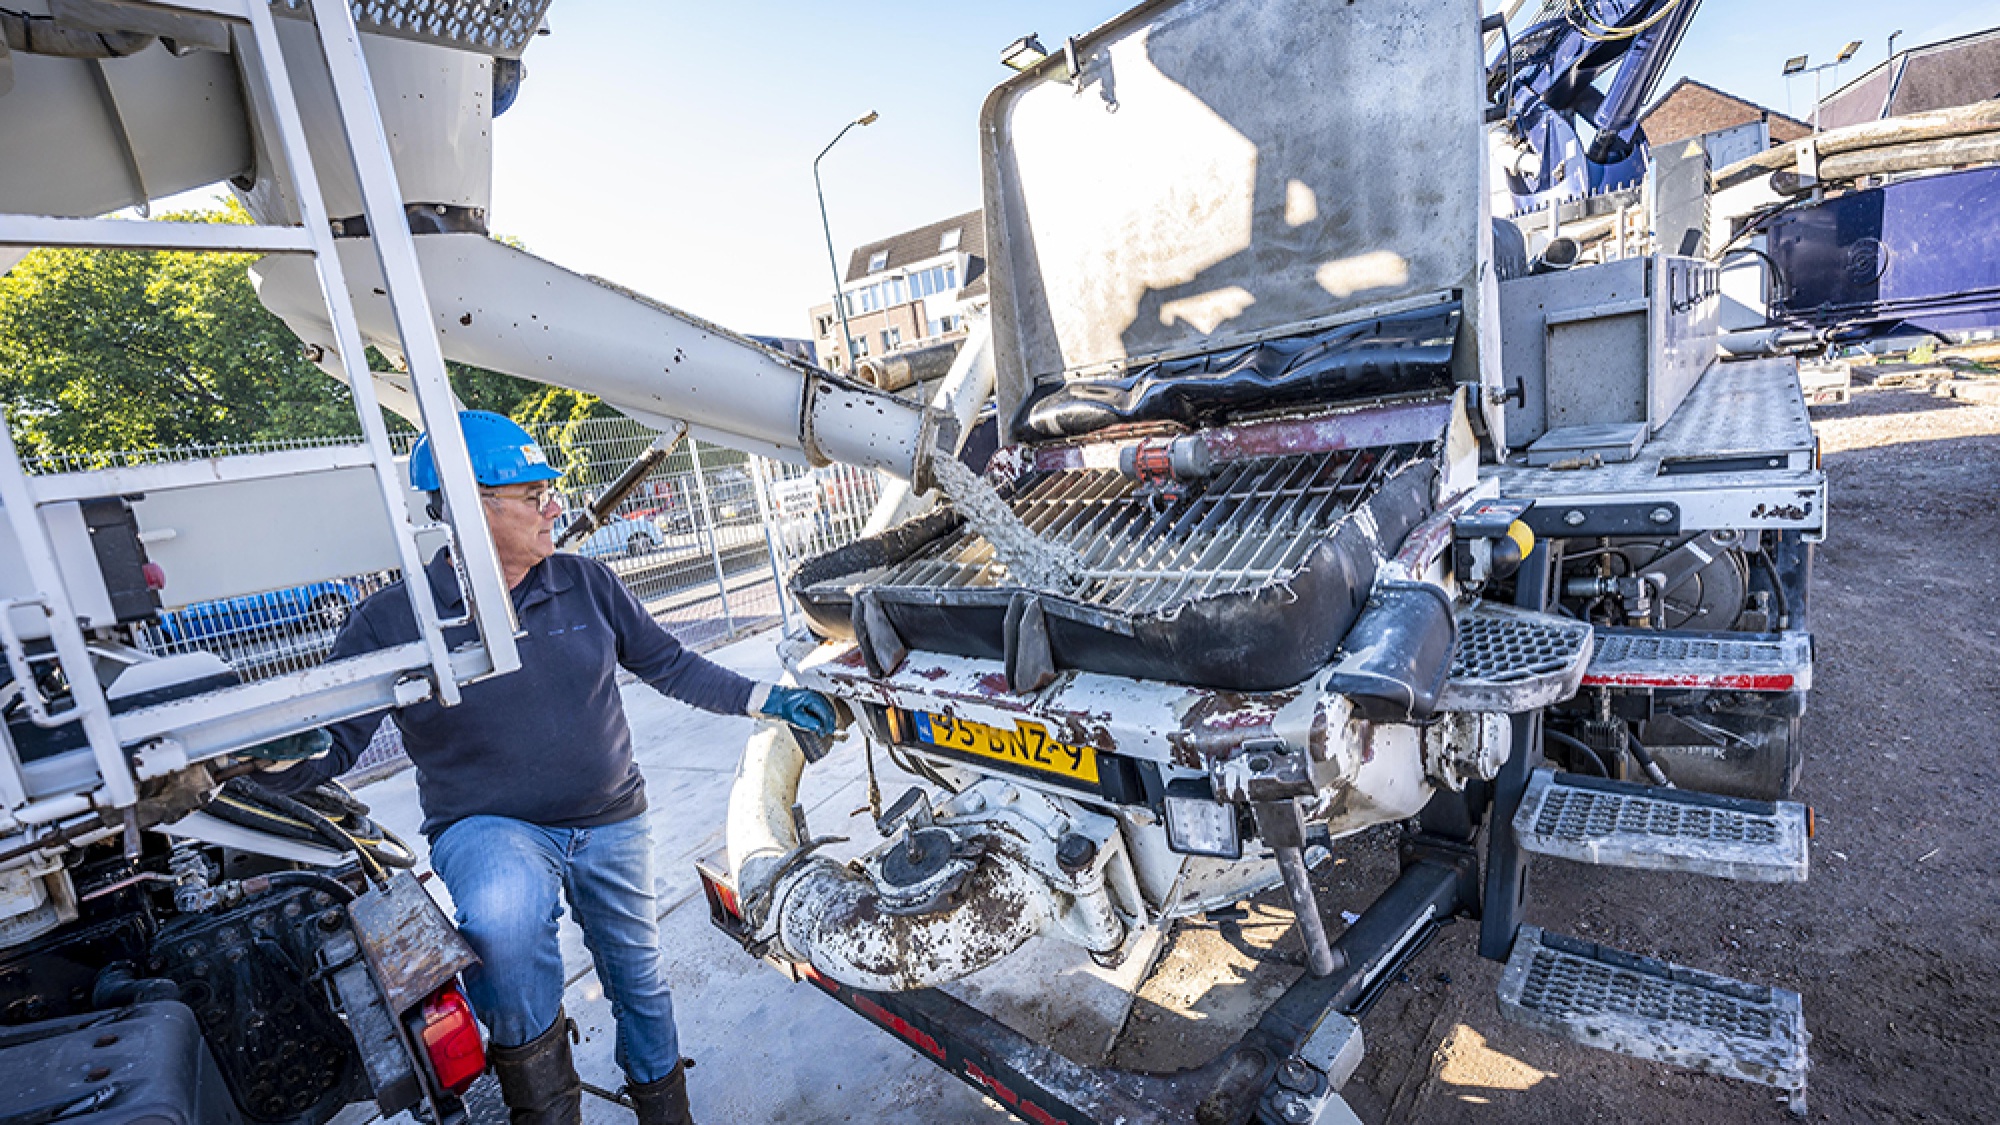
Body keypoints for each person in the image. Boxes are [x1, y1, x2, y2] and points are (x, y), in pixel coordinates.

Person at [258, 411, 835, 1125]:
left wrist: (766, 698)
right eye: (533, 495)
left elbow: (669, 663)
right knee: (505, 924)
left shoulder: (584, 583)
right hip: (488, 824)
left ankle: (666, 1111)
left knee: (639, 979)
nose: (554, 506)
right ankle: (545, 1111)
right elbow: (333, 743)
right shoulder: (394, 621)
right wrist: (269, 759)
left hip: (610, 817)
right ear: (471, 507)